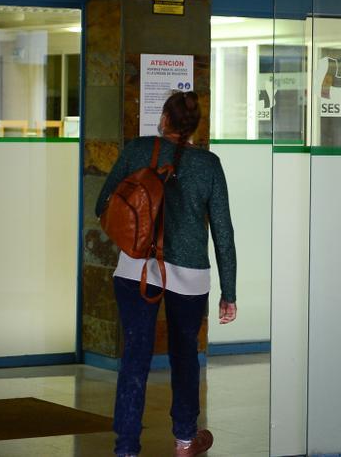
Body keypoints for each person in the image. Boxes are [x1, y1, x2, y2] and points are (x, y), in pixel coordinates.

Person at [95, 91, 237, 457]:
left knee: (135, 357)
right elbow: (223, 232)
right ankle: (185, 441)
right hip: (189, 279)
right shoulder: (209, 165)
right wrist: (229, 292)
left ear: (164, 120)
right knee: (185, 356)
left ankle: (126, 448)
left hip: (135, 270)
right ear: (195, 127)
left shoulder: (138, 150)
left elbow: (102, 204)